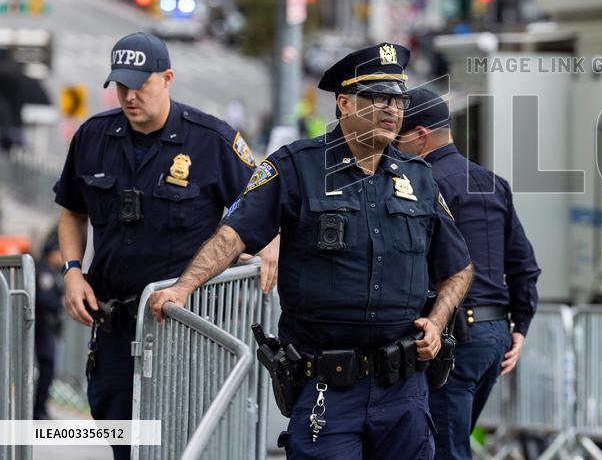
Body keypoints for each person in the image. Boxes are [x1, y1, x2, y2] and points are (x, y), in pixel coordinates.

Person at [148, 42, 474, 459]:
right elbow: (235, 234)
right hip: (328, 388)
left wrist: (436, 319)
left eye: (398, 99)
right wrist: (183, 287)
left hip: (403, 392)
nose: (391, 109)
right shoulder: (296, 167)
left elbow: (459, 268)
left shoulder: (419, 178)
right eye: (376, 97)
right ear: (343, 103)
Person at [52, 32, 272, 460]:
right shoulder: (93, 136)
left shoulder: (210, 139)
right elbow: (72, 211)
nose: (130, 96)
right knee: (121, 441)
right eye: (121, 86)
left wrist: (271, 246)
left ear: (167, 78)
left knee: (177, 442)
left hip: (183, 331)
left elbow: (261, 205)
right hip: (115, 325)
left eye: (141, 85)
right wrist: (72, 271)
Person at [396, 87, 541, 460]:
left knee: (443, 450)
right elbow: (524, 264)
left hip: (453, 336)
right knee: (449, 443)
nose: (393, 149)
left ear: (421, 135)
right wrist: (520, 327)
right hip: (494, 336)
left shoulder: (423, 184)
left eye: (399, 138)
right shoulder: (494, 183)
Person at [34, 230, 64, 420]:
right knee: (45, 368)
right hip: (41, 327)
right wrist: (59, 303)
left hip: (47, 328)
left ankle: (41, 408)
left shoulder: (53, 273)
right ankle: (37, 409)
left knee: (48, 369)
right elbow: (44, 299)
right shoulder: (44, 272)